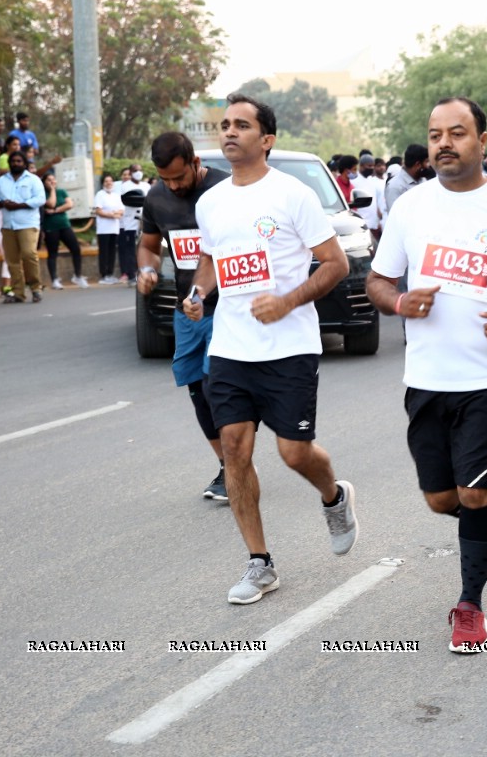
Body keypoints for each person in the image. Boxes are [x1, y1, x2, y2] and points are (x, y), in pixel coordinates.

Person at [365, 96, 487, 653]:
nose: (444, 144)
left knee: (472, 495)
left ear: (482, 140)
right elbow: (379, 282)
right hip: (426, 377)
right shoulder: (410, 208)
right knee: (440, 499)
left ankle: (470, 605)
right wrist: (400, 302)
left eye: (457, 133)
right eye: (435, 135)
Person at [184, 93, 357, 605]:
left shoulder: (293, 194)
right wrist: (198, 294)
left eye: (242, 125)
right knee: (234, 449)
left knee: (293, 452)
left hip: (289, 347)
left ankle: (334, 496)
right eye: (225, 125)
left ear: (267, 139)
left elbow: (336, 264)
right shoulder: (210, 201)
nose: (230, 132)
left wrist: (285, 302)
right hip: (232, 348)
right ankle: (260, 563)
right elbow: (211, 258)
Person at [138, 131, 231, 501]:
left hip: (229, 307)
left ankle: (237, 462)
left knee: (217, 385)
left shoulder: (225, 190)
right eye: (166, 179)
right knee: (197, 390)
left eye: (179, 177)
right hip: (187, 310)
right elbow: (148, 245)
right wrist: (147, 270)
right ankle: (228, 465)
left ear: (195, 163)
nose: (173, 186)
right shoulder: (157, 198)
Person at [0, 150, 46, 303]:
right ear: (9, 164)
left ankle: (35, 288)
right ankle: (18, 292)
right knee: (12, 260)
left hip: (27, 223)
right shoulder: (2, 181)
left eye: (19, 161)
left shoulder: (33, 180)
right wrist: (2, 203)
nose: (16, 164)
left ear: (25, 164)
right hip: (8, 225)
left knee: (28, 254)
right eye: (13, 161)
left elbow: (40, 199)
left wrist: (21, 205)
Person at [41, 173, 86, 290]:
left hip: (64, 225)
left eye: (53, 179)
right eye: (49, 180)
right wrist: (52, 190)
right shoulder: (42, 194)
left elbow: (70, 204)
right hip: (50, 227)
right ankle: (54, 280)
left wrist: (55, 210)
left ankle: (78, 276)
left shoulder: (62, 191)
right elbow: (51, 203)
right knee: (52, 253)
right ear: (44, 182)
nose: (52, 181)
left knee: (76, 249)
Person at [118, 164, 150, 285]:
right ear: (131, 172)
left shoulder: (146, 186)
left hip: (145, 222)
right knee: (130, 249)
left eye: (140, 170)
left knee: (146, 248)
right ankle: (131, 275)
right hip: (131, 222)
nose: (138, 172)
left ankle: (146, 273)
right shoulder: (125, 186)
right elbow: (129, 200)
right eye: (136, 170)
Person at [92, 174, 124, 284]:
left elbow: (121, 210)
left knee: (112, 252)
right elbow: (98, 211)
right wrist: (112, 215)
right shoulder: (100, 194)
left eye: (110, 181)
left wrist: (115, 214)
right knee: (104, 252)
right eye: (106, 181)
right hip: (103, 229)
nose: (109, 183)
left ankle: (110, 274)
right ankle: (103, 275)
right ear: (103, 183)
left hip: (114, 228)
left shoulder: (116, 195)